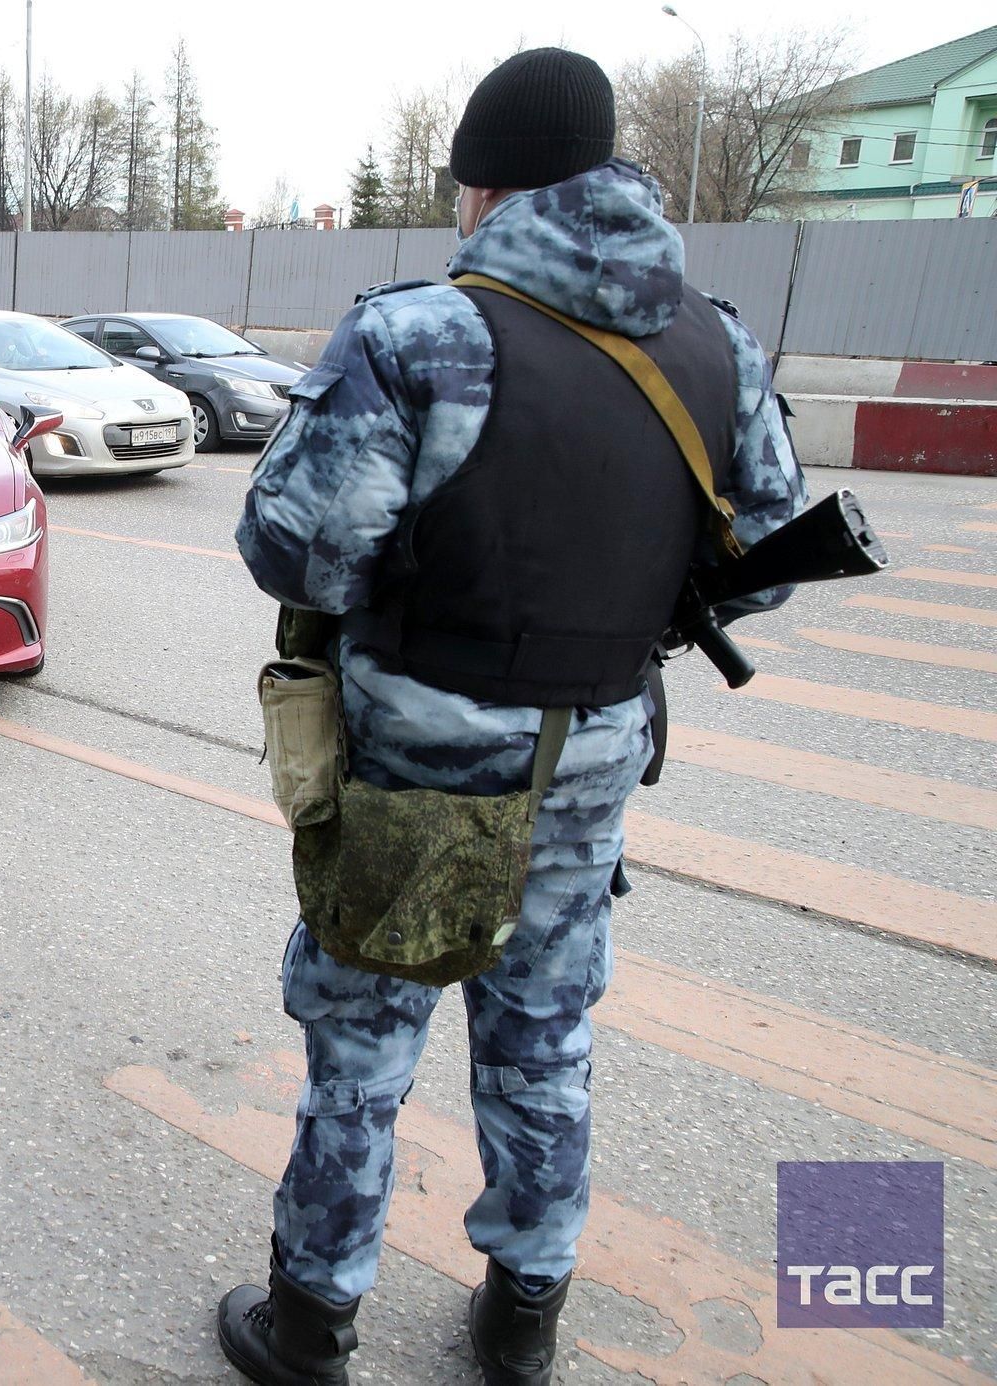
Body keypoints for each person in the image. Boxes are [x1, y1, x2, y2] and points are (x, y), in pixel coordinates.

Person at [222, 49, 806, 1386]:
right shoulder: (717, 337)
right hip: (595, 755)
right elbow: (766, 562)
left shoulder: (420, 333)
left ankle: (311, 1324)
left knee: (366, 1042)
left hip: (422, 768)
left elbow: (297, 551)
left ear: (481, 184)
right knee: (545, 1031)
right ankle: (523, 1318)